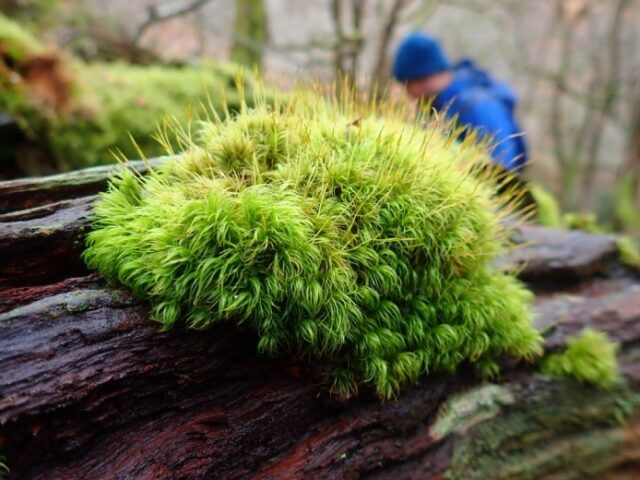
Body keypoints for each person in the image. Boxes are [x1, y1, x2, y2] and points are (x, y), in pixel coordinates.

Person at [393, 32, 528, 173]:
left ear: (422, 79)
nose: (408, 94)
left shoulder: (476, 105)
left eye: (407, 85)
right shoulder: (443, 107)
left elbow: (502, 169)